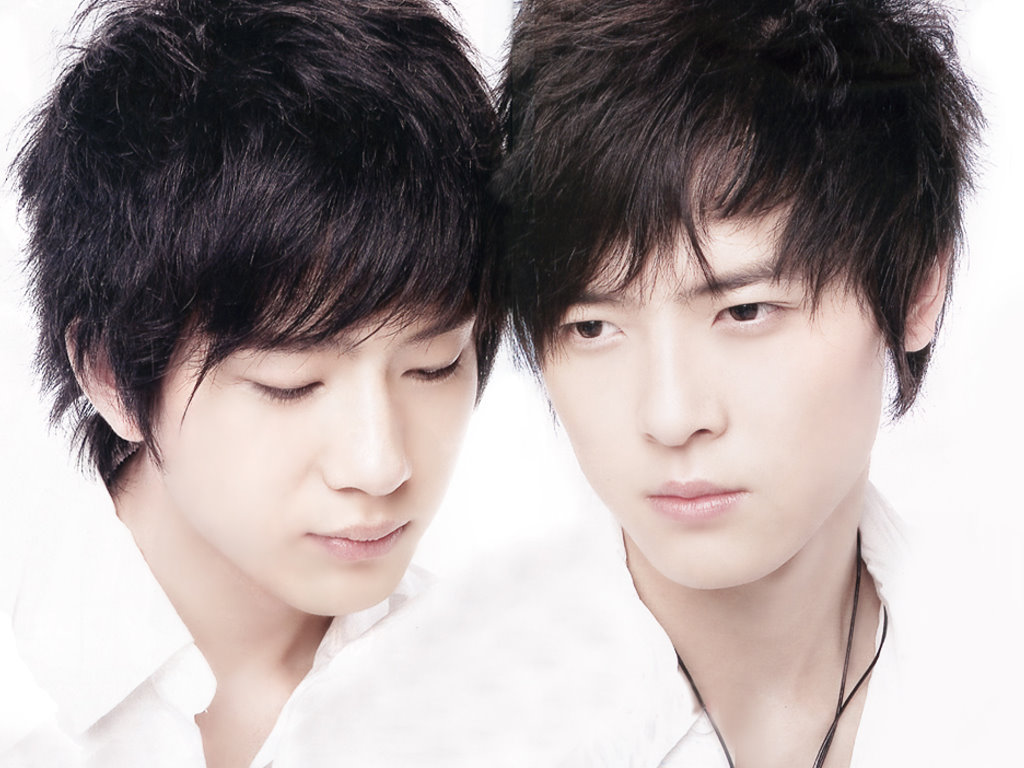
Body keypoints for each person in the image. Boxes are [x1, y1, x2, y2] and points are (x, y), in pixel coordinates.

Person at [491, 0, 990, 764]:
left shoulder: (993, 671)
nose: (670, 416)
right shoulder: (438, 722)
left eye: (746, 311)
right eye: (592, 327)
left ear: (919, 287)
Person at [4, 0, 499, 764]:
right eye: (291, 383)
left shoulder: (503, 699)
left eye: (432, 365)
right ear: (108, 375)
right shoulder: (23, 691)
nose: (379, 466)